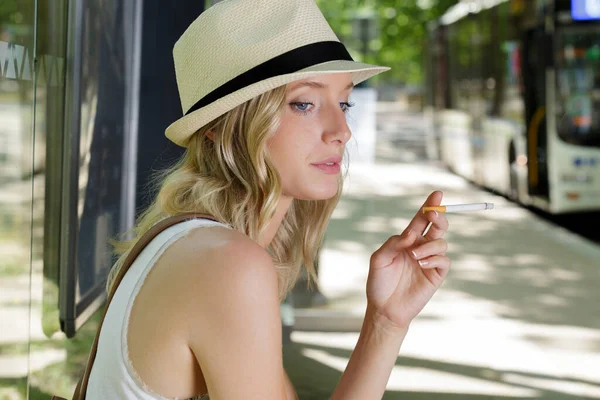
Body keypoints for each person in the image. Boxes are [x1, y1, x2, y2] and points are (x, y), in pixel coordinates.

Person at [86, 0, 451, 399]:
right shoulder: (228, 264)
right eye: (304, 104)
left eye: (344, 103)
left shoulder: (201, 245)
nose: (341, 130)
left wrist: (386, 321)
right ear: (224, 126)